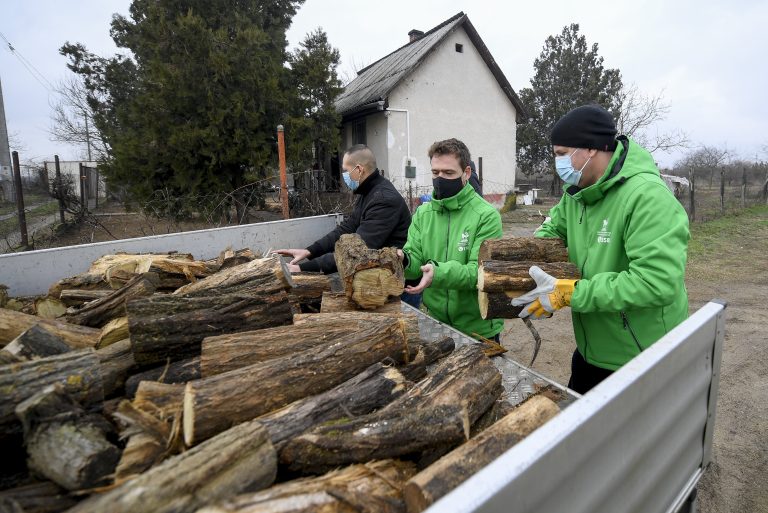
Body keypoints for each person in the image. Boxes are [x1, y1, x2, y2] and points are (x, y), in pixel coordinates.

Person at [512, 105, 690, 394]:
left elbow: (656, 283)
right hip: (592, 352)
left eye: (561, 153)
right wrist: (532, 269)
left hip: (641, 356)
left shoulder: (647, 196)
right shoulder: (577, 194)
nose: (557, 162)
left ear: (591, 149)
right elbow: (552, 231)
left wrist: (568, 292)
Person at [276, 144, 417, 303]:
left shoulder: (384, 200)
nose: (344, 175)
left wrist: (302, 269)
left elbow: (358, 251)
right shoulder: (369, 192)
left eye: (345, 170)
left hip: (398, 286)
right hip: (377, 277)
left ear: (359, 169)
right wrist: (309, 251)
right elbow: (346, 229)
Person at [399, 138, 503, 340]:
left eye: (448, 173)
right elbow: (415, 263)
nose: (440, 179)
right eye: (435, 172)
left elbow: (479, 273)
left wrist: (437, 273)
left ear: (466, 173)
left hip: (478, 328)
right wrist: (403, 259)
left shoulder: (486, 216)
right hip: (436, 322)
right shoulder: (423, 214)